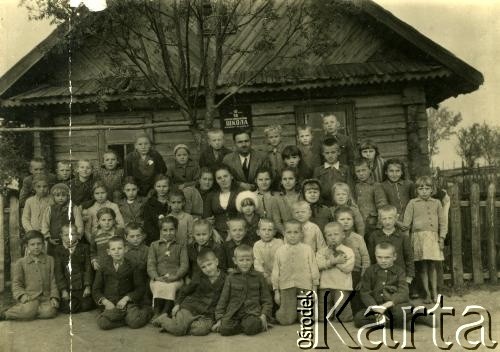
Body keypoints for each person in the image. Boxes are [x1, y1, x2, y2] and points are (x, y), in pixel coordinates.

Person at [354, 242, 433, 329]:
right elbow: (365, 293)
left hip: (395, 306)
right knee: (359, 319)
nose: (383, 260)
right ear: (375, 255)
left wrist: (387, 305)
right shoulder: (370, 271)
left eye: (387, 257)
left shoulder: (400, 271)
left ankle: (416, 314)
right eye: (379, 257)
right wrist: (375, 308)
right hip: (377, 307)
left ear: (394, 257)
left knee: (400, 312)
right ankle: (404, 323)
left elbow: (403, 292)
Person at [153, 249, 227, 336]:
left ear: (216, 262)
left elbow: (226, 300)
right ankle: (164, 320)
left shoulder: (226, 279)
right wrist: (177, 304)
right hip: (190, 307)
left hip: (208, 314)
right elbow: (184, 291)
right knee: (179, 330)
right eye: (203, 267)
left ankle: (177, 324)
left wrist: (220, 319)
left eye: (209, 264)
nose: (207, 269)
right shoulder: (198, 277)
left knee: (201, 330)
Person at [403, 176, 447, 304]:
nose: (424, 191)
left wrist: (442, 238)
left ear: (432, 189)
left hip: (433, 238)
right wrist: (406, 240)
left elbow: (443, 223)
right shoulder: (412, 203)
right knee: (422, 267)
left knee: (432, 266)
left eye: (427, 188)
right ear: (417, 190)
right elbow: (407, 223)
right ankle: (426, 293)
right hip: (418, 238)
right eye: (421, 188)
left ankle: (434, 293)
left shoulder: (437, 203)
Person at [92, 236, 151, 330]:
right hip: (111, 303)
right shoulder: (103, 267)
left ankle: (146, 312)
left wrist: (127, 298)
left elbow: (140, 288)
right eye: (113, 249)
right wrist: (105, 302)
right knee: (103, 323)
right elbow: (96, 289)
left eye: (120, 248)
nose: (116, 251)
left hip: (127, 302)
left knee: (135, 323)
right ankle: (126, 319)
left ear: (125, 249)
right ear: (108, 252)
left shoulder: (133, 265)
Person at [214, 244, 273, 336]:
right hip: (234, 313)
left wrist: (264, 315)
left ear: (253, 260)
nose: (245, 263)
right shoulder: (230, 278)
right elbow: (223, 299)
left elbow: (267, 300)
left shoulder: (259, 277)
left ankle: (251, 326)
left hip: (251, 313)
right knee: (224, 328)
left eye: (248, 260)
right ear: (235, 261)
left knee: (251, 326)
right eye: (241, 260)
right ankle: (245, 327)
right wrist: (219, 318)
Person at [0, 230, 59, 321]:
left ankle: (28, 312)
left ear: (43, 244)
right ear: (26, 246)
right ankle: (6, 314)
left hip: (45, 298)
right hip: (29, 297)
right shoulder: (21, 263)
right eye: (32, 244)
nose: (36, 247)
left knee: (49, 312)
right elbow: (16, 284)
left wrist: (54, 297)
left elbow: (53, 281)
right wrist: (22, 296)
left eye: (39, 244)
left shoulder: (50, 260)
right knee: (29, 310)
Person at [272, 220, 320, 325]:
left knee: (307, 320)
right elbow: (276, 272)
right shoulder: (280, 251)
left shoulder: (307, 249)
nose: (292, 236)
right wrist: (276, 291)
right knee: (286, 320)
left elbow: (314, 268)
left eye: (296, 232)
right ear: (284, 233)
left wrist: (314, 287)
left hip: (305, 286)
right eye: (289, 232)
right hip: (286, 286)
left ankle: (306, 312)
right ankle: (286, 312)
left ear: (301, 234)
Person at [147, 216, 189, 320]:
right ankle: (157, 312)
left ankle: (165, 312)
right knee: (157, 286)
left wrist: (175, 276)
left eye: (171, 229)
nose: (168, 233)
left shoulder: (181, 245)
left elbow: (184, 265)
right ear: (160, 231)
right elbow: (151, 264)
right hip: (159, 278)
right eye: (165, 230)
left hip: (175, 278)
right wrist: (156, 277)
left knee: (170, 287)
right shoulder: (154, 245)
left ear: (176, 230)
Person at [316, 222, 355, 322]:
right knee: (323, 318)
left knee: (343, 318)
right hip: (325, 285)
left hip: (342, 286)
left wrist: (334, 262)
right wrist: (333, 261)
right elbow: (318, 265)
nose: (333, 237)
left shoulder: (348, 251)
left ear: (343, 235)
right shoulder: (322, 251)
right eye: (329, 235)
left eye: (336, 234)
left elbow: (348, 268)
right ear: (325, 237)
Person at [334, 206, 370, 314]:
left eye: (348, 219)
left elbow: (365, 258)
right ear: (336, 221)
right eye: (342, 219)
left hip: (356, 273)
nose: (345, 222)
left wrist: (363, 277)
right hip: (340, 272)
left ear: (353, 221)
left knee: (357, 302)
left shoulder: (358, 238)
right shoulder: (334, 237)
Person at [53, 223, 94, 314]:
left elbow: (88, 268)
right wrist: (63, 290)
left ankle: (80, 302)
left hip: (81, 286)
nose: (69, 237)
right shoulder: (58, 250)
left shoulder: (84, 248)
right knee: (68, 309)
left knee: (87, 305)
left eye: (72, 234)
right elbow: (58, 272)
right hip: (68, 287)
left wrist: (87, 286)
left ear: (78, 235)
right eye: (66, 235)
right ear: (61, 236)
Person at [367, 205, 414, 283]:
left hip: (399, 276)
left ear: (396, 218)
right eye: (384, 219)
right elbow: (371, 257)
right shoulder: (374, 236)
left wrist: (409, 276)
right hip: (379, 276)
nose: (387, 221)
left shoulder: (403, 237)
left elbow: (409, 257)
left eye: (390, 218)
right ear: (380, 220)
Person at [41, 183, 84, 255]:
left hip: (71, 241)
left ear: (68, 196)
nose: (60, 198)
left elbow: (79, 225)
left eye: (63, 195)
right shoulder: (50, 209)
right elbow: (45, 224)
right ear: (53, 197)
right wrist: (48, 238)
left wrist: (76, 237)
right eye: (57, 196)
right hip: (54, 241)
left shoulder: (74, 208)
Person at [203, 165, 241, 239]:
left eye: (225, 176)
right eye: (219, 178)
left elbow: (244, 215)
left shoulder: (240, 192)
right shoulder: (211, 195)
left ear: (231, 176)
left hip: (238, 232)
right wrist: (214, 233)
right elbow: (207, 218)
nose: (223, 180)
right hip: (217, 233)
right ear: (216, 181)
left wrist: (233, 232)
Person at [125, 133, 167, 197]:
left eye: (146, 144)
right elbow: (128, 176)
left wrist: (155, 188)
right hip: (136, 188)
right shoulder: (130, 158)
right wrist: (135, 189)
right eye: (140, 144)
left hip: (153, 187)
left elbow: (162, 171)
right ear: (135, 146)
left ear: (150, 145)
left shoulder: (155, 156)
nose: (143, 147)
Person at [353, 158, 387, 235]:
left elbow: (382, 205)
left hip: (373, 224)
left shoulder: (376, 186)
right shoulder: (356, 186)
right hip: (360, 224)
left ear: (370, 169)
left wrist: (380, 225)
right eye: (358, 171)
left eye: (364, 170)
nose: (361, 174)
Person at [380, 158, 415, 231]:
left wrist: (411, 220)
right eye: (391, 171)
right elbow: (384, 207)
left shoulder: (409, 184)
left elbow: (415, 202)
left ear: (402, 172)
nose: (394, 174)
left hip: (410, 219)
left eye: (397, 171)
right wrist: (396, 222)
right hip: (391, 221)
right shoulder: (382, 186)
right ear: (386, 172)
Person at [313, 137, 351, 205]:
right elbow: (315, 190)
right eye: (327, 153)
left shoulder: (345, 169)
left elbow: (350, 189)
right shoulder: (318, 171)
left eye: (333, 152)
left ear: (338, 152)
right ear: (323, 153)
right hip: (324, 205)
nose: (330, 155)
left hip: (342, 203)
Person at [253, 218, 284, 287]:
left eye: (270, 230)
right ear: (258, 232)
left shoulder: (279, 243)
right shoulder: (257, 245)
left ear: (274, 232)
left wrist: (275, 275)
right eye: (263, 230)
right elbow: (258, 263)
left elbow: (282, 261)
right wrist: (264, 275)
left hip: (279, 274)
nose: (267, 233)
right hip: (265, 275)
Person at [143, 174, 171, 245]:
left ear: (169, 187)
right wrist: (159, 236)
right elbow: (148, 223)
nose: (161, 189)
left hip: (171, 235)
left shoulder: (173, 201)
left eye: (164, 186)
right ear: (154, 187)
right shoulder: (150, 203)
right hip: (155, 238)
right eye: (158, 186)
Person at [274, 168, 301, 234]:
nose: (287, 181)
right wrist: (285, 233)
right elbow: (277, 221)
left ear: (296, 180)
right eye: (284, 179)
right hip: (285, 233)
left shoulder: (301, 196)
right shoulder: (277, 198)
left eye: (291, 179)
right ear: (281, 181)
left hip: (301, 232)